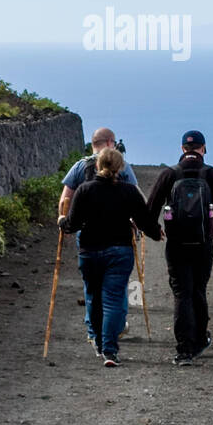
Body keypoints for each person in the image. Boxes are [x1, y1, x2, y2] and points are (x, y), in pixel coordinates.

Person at [61, 149, 161, 367]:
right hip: (119, 251)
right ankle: (109, 350)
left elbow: (73, 224)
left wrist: (62, 222)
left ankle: (97, 342)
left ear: (97, 165)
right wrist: (157, 232)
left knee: (94, 297)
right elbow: (143, 220)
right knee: (113, 299)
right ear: (121, 168)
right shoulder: (129, 191)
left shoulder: (84, 190)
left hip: (89, 251)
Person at [146, 129, 213, 366]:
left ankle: (184, 349)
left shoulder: (170, 174)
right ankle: (199, 340)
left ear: (183, 149)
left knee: (181, 293)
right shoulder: (212, 175)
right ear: (203, 149)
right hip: (203, 244)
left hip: (176, 245)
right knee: (198, 289)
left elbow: (150, 209)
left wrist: (155, 232)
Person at [59, 127, 139, 344]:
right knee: (116, 286)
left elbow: (65, 199)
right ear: (111, 143)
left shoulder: (79, 166)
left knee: (92, 288)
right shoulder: (122, 166)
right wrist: (138, 226)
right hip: (118, 238)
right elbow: (136, 196)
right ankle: (116, 328)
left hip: (87, 236)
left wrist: (64, 224)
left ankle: (93, 332)